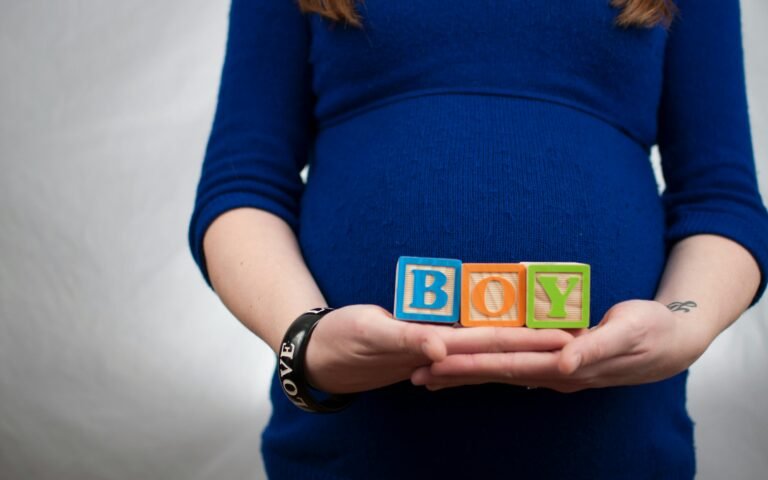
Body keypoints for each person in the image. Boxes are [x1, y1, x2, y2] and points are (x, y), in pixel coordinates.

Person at [188, 0, 768, 477]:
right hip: (354, 450)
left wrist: (682, 324)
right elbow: (244, 184)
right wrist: (305, 343)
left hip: (613, 449)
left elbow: (721, 199)